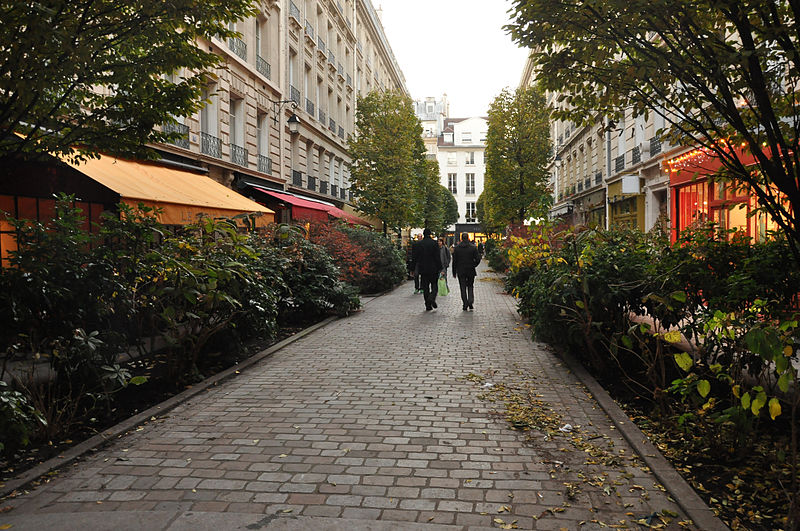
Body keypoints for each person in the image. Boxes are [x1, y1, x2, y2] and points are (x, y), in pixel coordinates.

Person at [410, 228, 442, 311]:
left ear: (423, 234)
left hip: (423, 268)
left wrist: (412, 268)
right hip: (433, 268)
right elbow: (437, 257)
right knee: (434, 285)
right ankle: (432, 297)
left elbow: (414, 258)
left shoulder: (418, 244)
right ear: (430, 234)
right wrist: (440, 267)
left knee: (425, 286)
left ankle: (427, 304)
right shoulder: (434, 244)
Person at [452, 233, 481, 311]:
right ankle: (470, 301)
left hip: (461, 270)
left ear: (461, 238)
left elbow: (454, 261)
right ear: (468, 238)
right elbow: (478, 259)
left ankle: (465, 303)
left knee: (463, 287)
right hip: (470, 269)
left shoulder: (457, 248)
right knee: (470, 286)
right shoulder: (473, 248)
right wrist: (474, 265)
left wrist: (454, 271)